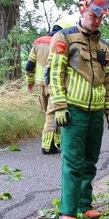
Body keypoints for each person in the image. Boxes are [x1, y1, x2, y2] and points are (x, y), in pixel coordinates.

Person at [47, 0, 109, 219]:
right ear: (82, 10)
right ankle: (67, 211)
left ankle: (84, 205)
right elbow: (55, 75)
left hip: (95, 112)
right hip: (74, 111)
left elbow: (106, 79)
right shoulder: (64, 38)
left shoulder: (104, 46)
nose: (97, 20)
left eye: (101, 17)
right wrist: (59, 105)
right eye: (93, 14)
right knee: (73, 162)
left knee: (90, 160)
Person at [25, 19, 73, 154]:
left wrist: (30, 82)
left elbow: (29, 65)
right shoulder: (61, 43)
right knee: (52, 115)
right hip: (54, 84)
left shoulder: (38, 42)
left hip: (40, 84)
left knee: (51, 114)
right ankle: (47, 147)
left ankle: (56, 143)